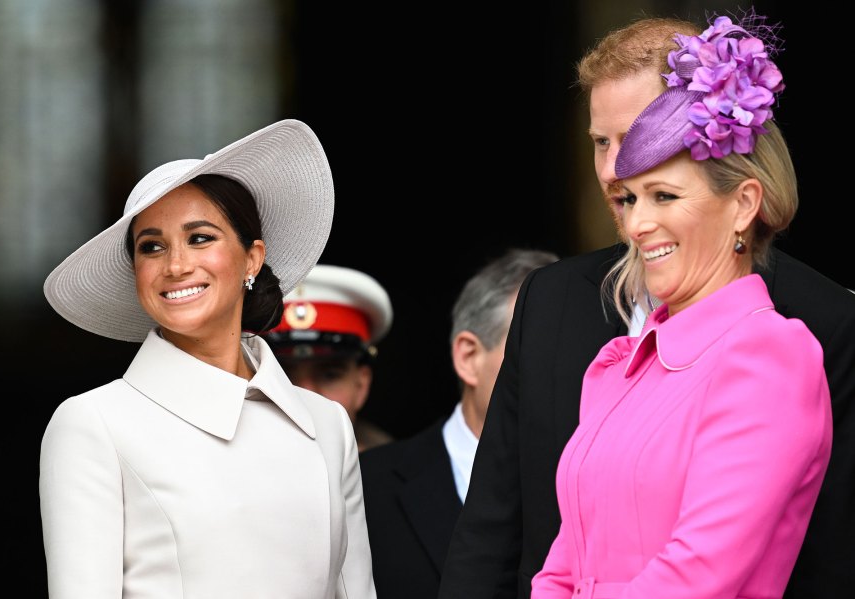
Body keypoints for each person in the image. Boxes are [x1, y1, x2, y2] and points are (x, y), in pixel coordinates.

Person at [439, 15, 855, 599]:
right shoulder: (614, 357)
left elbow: (709, 574)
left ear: (741, 201)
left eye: (657, 184)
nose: (616, 175)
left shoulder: (781, 344)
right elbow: (524, 539)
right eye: (601, 144)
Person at [38, 119, 376, 598]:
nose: (176, 265)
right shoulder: (93, 424)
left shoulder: (328, 425)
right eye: (151, 246)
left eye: (200, 238)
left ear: (252, 259)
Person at [359, 248, 558, 599]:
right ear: (469, 357)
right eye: (543, 350)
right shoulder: (364, 488)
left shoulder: (608, 488)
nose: (569, 369)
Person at [262, 263, 395, 452]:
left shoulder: (403, 475)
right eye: (283, 375)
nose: (306, 395)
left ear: (361, 385)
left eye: (329, 375)